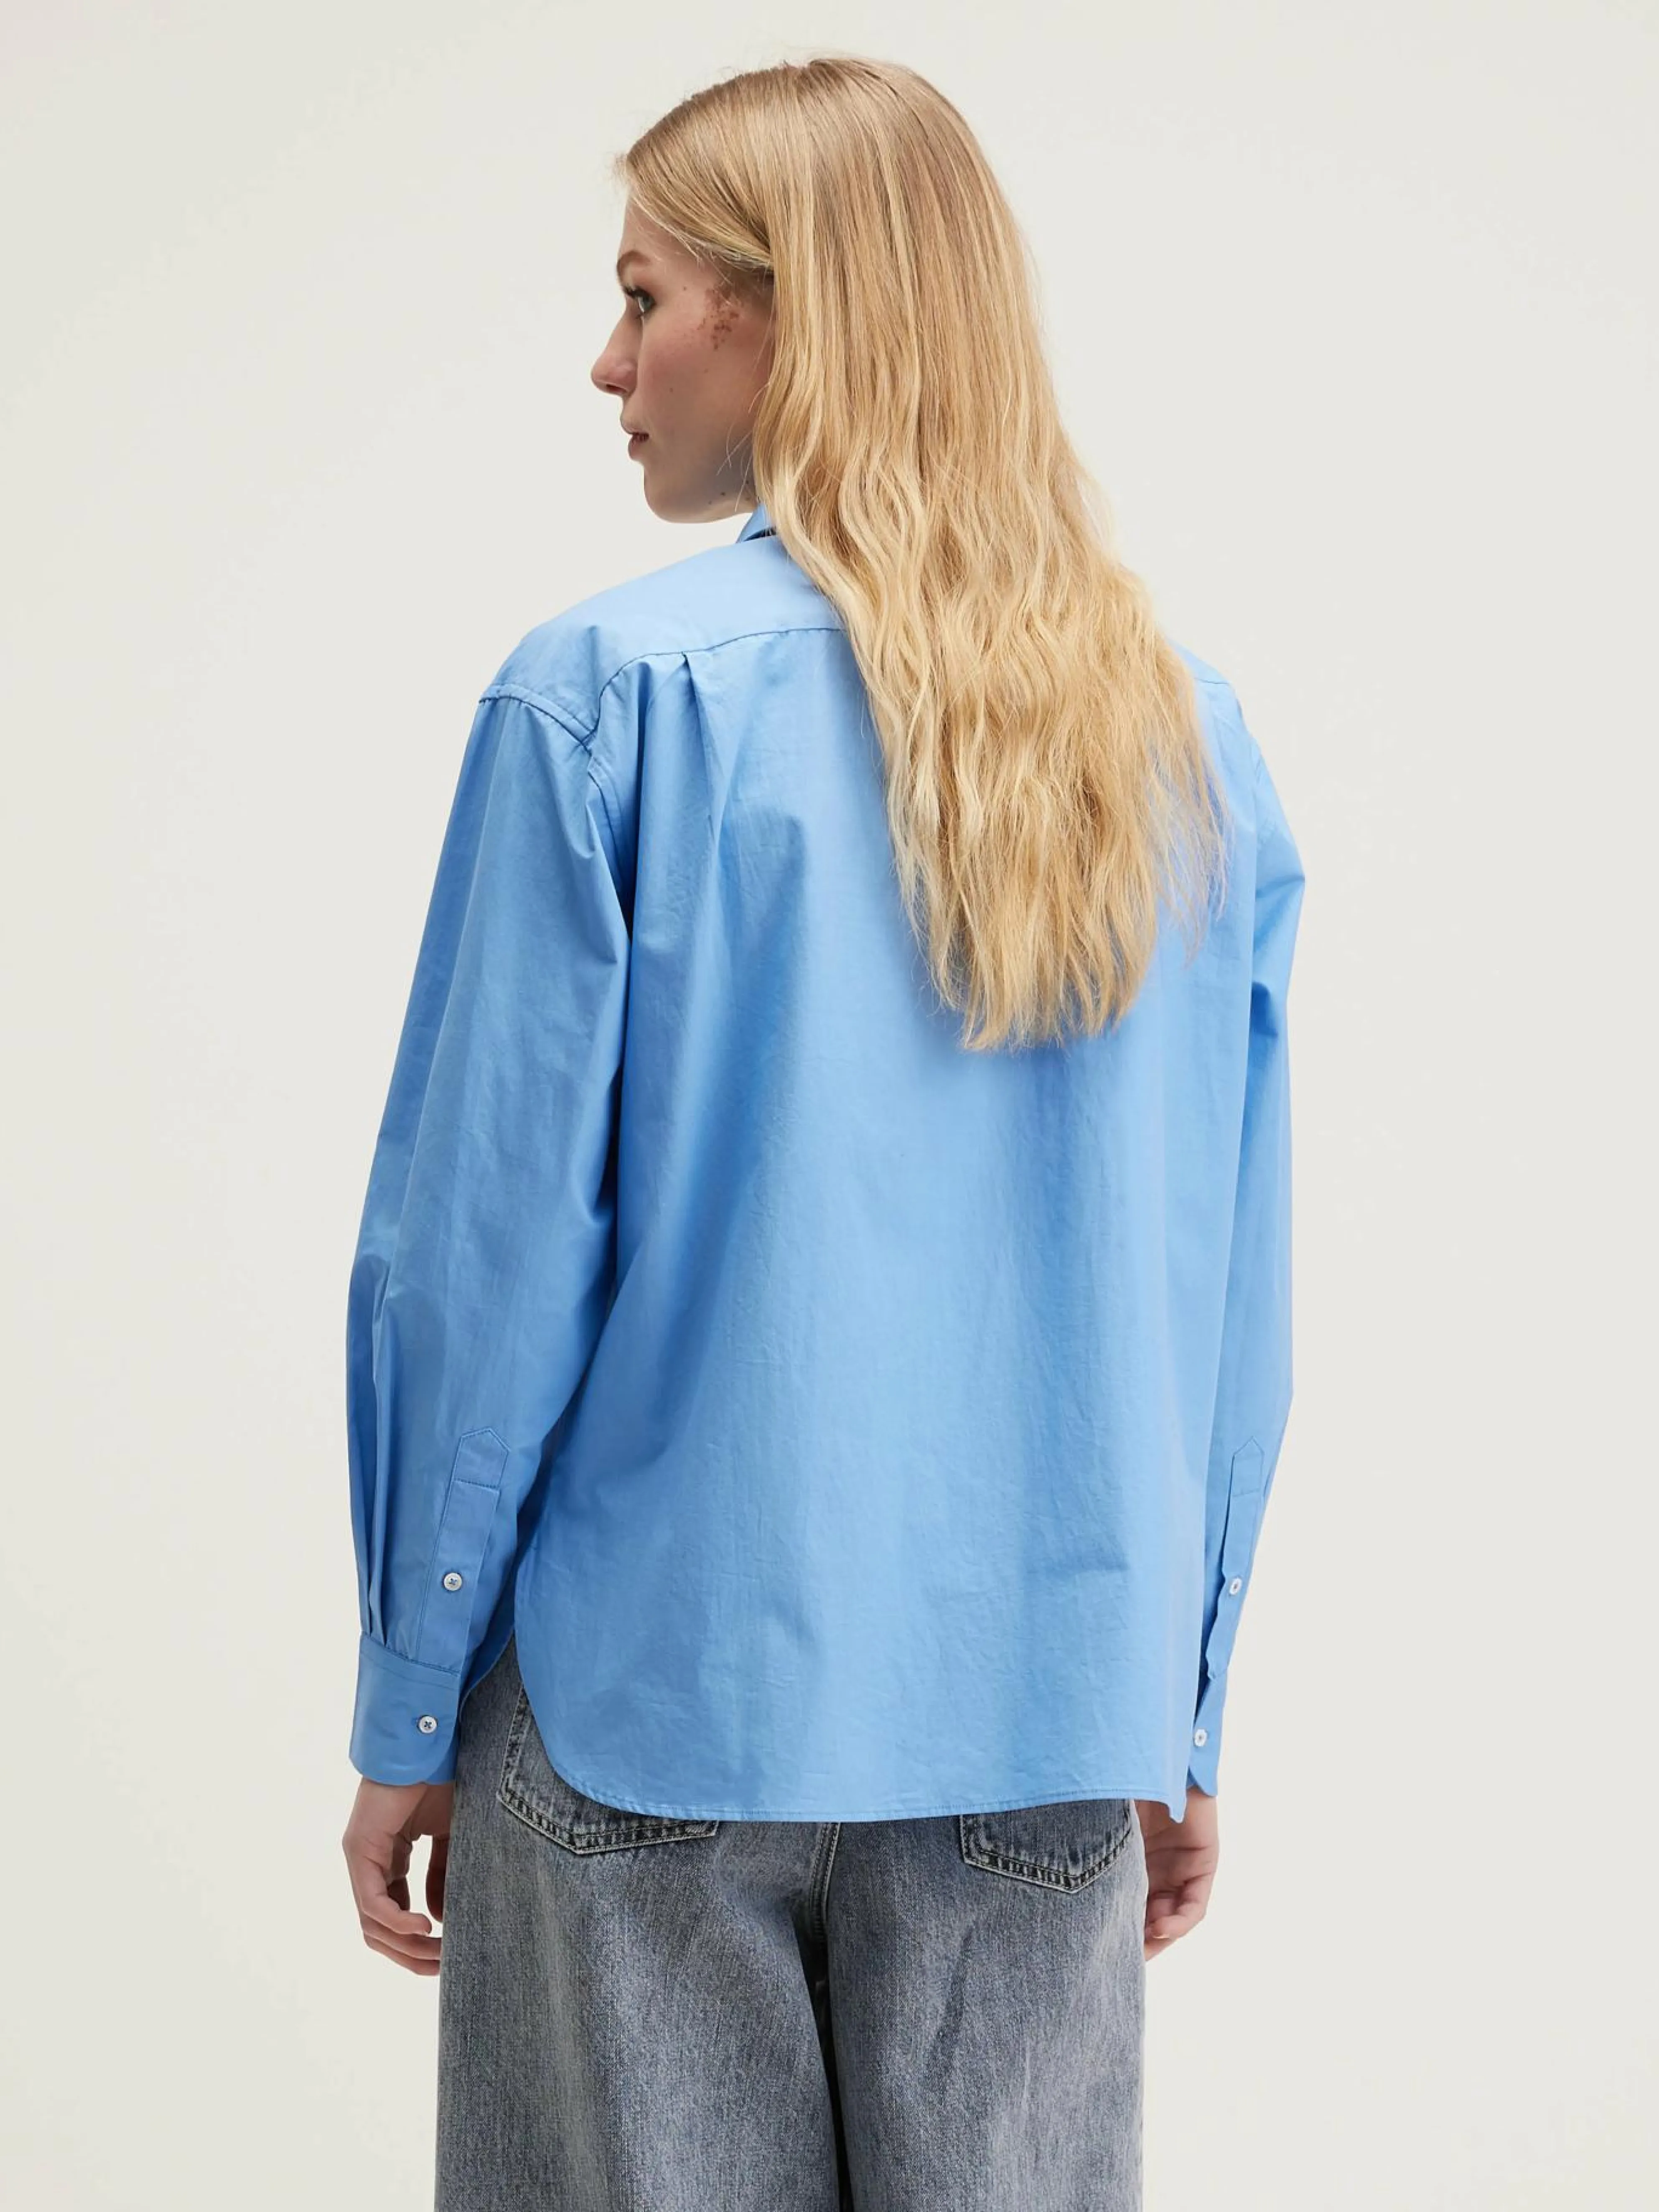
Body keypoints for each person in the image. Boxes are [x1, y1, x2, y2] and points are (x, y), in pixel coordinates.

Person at [337, 54, 1306, 2212]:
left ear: (783, 320)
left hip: (641, 1708)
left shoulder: (605, 698)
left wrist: (411, 1697)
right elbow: (1229, 1283)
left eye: (643, 296)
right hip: (1042, 1723)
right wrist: (1182, 1696)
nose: (609, 364)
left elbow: (481, 1263)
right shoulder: (1179, 737)